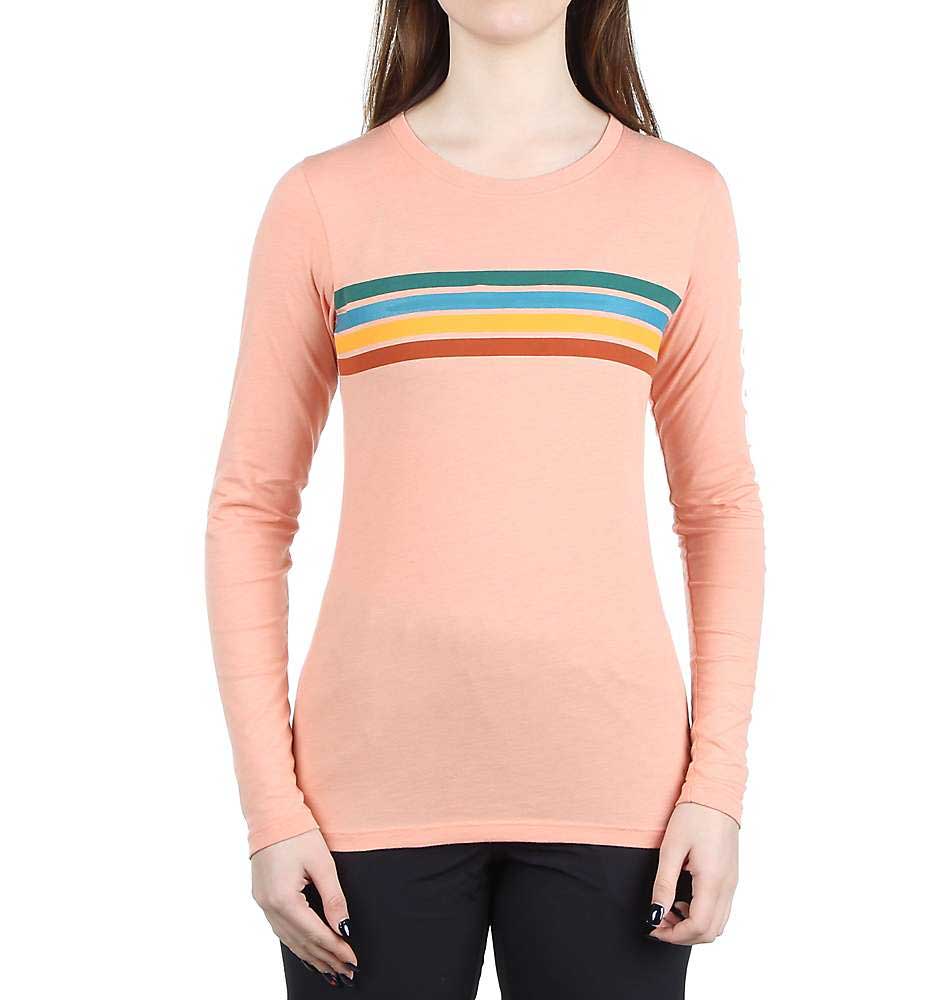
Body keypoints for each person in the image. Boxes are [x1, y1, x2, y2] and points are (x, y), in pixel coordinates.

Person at [206, 1, 764, 996]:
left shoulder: (680, 198)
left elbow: (717, 503)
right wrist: (271, 810)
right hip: (361, 803)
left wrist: (715, 788)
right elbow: (251, 507)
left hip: (620, 797)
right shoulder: (323, 200)